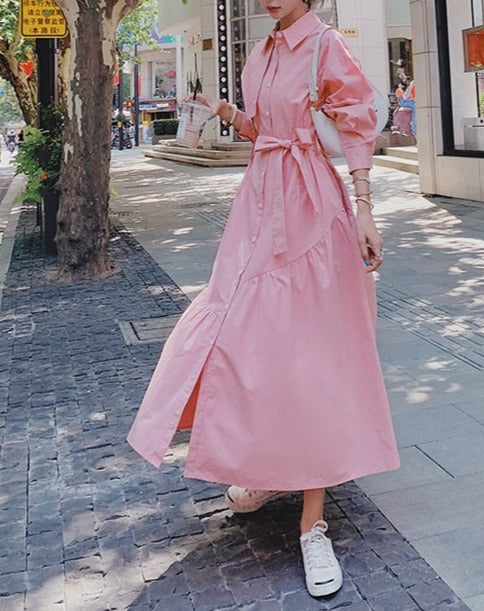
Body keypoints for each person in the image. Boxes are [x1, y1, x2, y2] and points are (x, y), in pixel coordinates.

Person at [127, 0, 399, 599]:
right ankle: (268, 471)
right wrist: (223, 110)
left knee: (310, 356)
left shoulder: (325, 44)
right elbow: (262, 129)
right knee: (246, 341)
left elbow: (355, 125)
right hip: (257, 208)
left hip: (311, 210)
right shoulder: (264, 51)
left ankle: (313, 522)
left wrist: (365, 210)